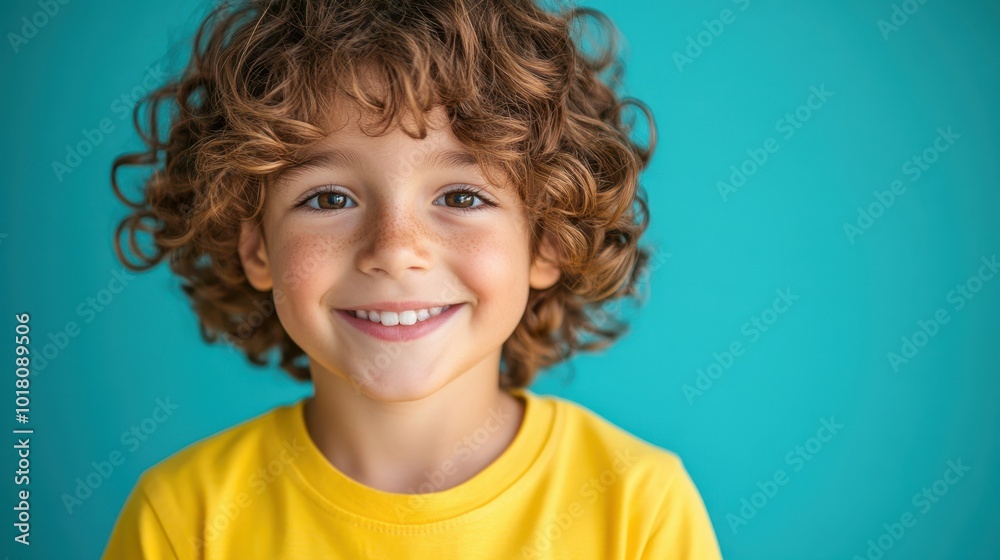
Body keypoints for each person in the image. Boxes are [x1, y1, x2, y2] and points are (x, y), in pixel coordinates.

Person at [103, 0, 722, 557]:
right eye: (327, 200)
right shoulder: (182, 519)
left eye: (460, 195)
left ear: (549, 242)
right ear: (256, 248)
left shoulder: (640, 508)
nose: (396, 251)